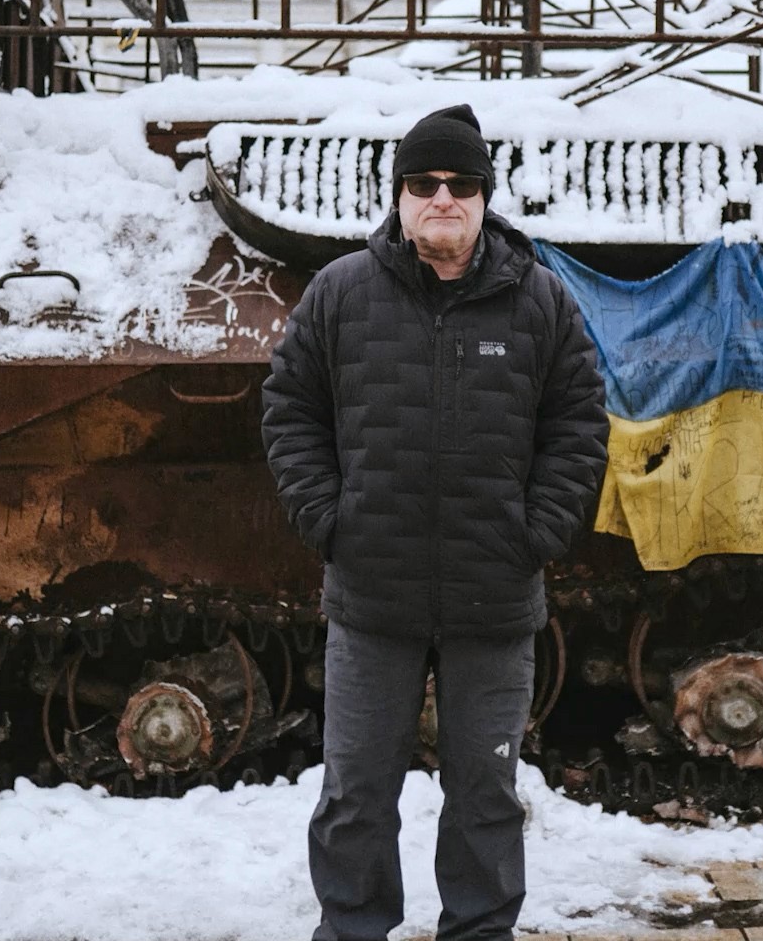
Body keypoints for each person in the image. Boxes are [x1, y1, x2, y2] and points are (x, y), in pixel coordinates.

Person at [261, 104, 608, 941]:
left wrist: (536, 532)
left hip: (494, 597)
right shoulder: (342, 293)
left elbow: (579, 425)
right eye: (423, 183)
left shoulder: (540, 302)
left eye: (460, 183)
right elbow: (290, 409)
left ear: (485, 196)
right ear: (399, 196)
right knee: (355, 795)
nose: (442, 197)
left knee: (486, 796)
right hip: (372, 595)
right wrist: (329, 518)